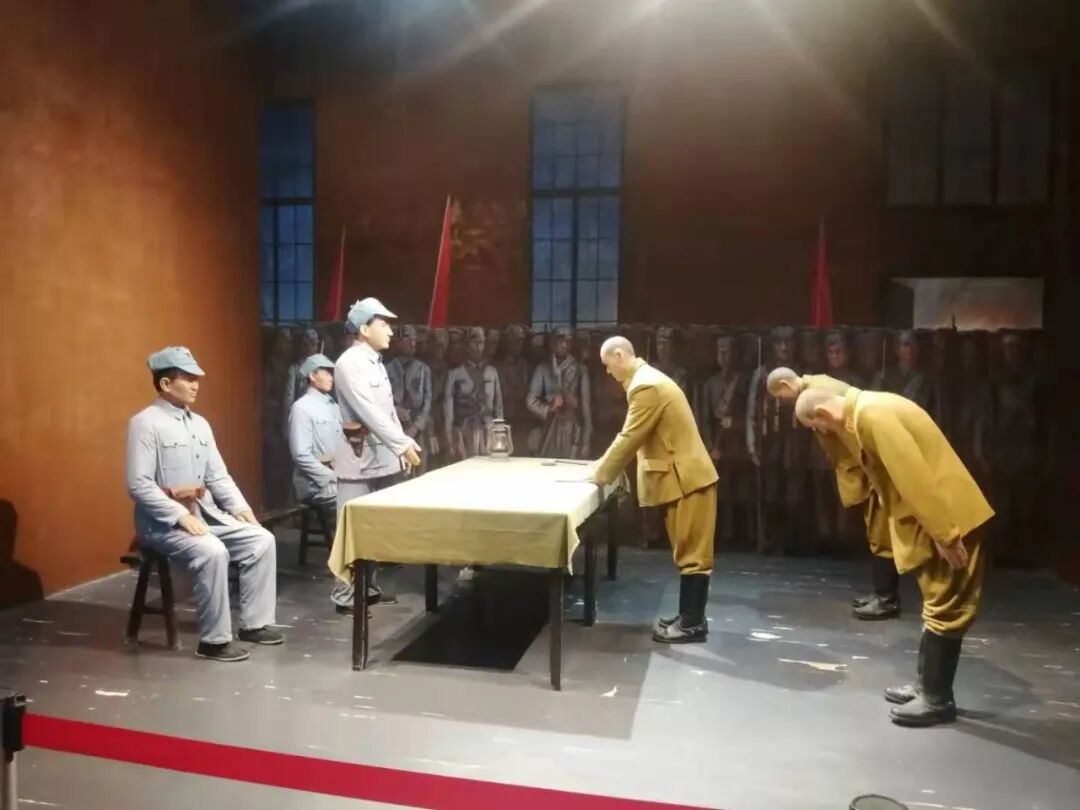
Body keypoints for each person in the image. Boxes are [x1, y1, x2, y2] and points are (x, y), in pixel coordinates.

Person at [793, 385, 994, 726]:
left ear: (823, 414)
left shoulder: (871, 416)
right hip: (939, 519)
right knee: (937, 602)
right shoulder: (869, 408)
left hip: (948, 518)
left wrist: (944, 533)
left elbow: (913, 477)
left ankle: (936, 699)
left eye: (817, 428)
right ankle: (926, 686)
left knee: (946, 604)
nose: (823, 434)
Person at [126, 347, 282, 663]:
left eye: (196, 378)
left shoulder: (200, 424)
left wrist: (241, 510)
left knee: (261, 540)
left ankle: (255, 624)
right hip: (162, 524)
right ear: (165, 383)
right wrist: (180, 516)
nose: (195, 384)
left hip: (205, 514)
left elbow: (218, 475)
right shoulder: (145, 423)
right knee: (212, 551)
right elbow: (138, 484)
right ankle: (214, 641)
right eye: (188, 378)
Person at [588, 337, 718, 644]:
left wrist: (600, 473)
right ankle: (689, 616)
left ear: (620, 355)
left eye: (608, 364)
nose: (607, 371)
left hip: (689, 479)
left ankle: (692, 623)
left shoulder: (646, 385)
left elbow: (630, 437)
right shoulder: (647, 380)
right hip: (684, 478)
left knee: (693, 556)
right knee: (686, 552)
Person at [767, 366, 901, 620]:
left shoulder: (819, 394)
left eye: (779, 396)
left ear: (785, 385)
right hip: (862, 470)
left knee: (881, 534)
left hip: (871, 470)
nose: (781, 402)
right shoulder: (817, 387)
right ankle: (882, 594)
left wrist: (874, 477)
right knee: (876, 534)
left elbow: (856, 435)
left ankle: (887, 599)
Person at [331, 298, 422, 614]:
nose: (391, 331)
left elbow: (388, 411)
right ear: (364, 328)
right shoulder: (348, 363)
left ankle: (367, 587)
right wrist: (400, 444)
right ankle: (345, 595)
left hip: (381, 457)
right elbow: (367, 411)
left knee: (374, 529)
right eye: (384, 324)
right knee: (351, 530)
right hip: (357, 459)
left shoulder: (375, 362)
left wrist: (401, 445)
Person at [288, 353, 342, 537]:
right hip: (316, 484)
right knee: (354, 501)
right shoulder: (301, 408)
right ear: (312, 375)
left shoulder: (333, 406)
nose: (330, 377)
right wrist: (331, 476)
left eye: (331, 373)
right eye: (325, 373)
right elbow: (301, 455)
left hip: (338, 474)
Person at [527, 327, 592, 459]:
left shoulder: (580, 370)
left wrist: (586, 442)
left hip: (572, 428)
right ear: (552, 343)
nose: (564, 345)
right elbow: (531, 400)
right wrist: (548, 408)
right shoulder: (543, 368)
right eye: (560, 341)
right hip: (548, 427)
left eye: (568, 341)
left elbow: (587, 409)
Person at [444, 327, 504, 459]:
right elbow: (448, 409)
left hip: (488, 429)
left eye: (481, 342)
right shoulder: (454, 374)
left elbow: (498, 406)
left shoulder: (492, 372)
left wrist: (499, 432)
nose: (478, 347)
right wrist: (449, 438)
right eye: (474, 343)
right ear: (466, 346)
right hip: (463, 430)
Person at [386, 325, 434, 474]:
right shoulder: (388, 369)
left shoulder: (423, 369)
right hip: (395, 425)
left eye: (414, 340)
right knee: (398, 469)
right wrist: (396, 410)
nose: (412, 344)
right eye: (408, 340)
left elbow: (427, 401)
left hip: (417, 425)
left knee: (420, 466)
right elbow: (383, 397)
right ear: (399, 342)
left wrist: (417, 426)